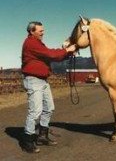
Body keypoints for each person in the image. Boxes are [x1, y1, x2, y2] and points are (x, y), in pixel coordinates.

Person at [21, 21, 76, 153]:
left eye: (43, 30)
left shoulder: (38, 43)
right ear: (31, 31)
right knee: (35, 111)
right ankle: (27, 140)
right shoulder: (31, 43)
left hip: (42, 81)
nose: (43, 32)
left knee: (49, 108)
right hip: (34, 80)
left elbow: (50, 56)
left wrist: (67, 54)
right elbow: (51, 54)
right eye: (40, 31)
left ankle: (42, 136)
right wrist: (67, 50)